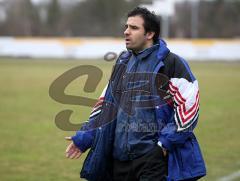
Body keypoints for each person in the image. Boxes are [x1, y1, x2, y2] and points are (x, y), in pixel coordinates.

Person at [65, 7, 206, 181]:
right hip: (118, 160)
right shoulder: (122, 64)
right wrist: (85, 137)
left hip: (152, 159)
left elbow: (188, 108)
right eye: (126, 27)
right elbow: (105, 106)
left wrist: (163, 145)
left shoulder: (171, 64)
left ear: (150, 33)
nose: (126, 32)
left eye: (134, 28)